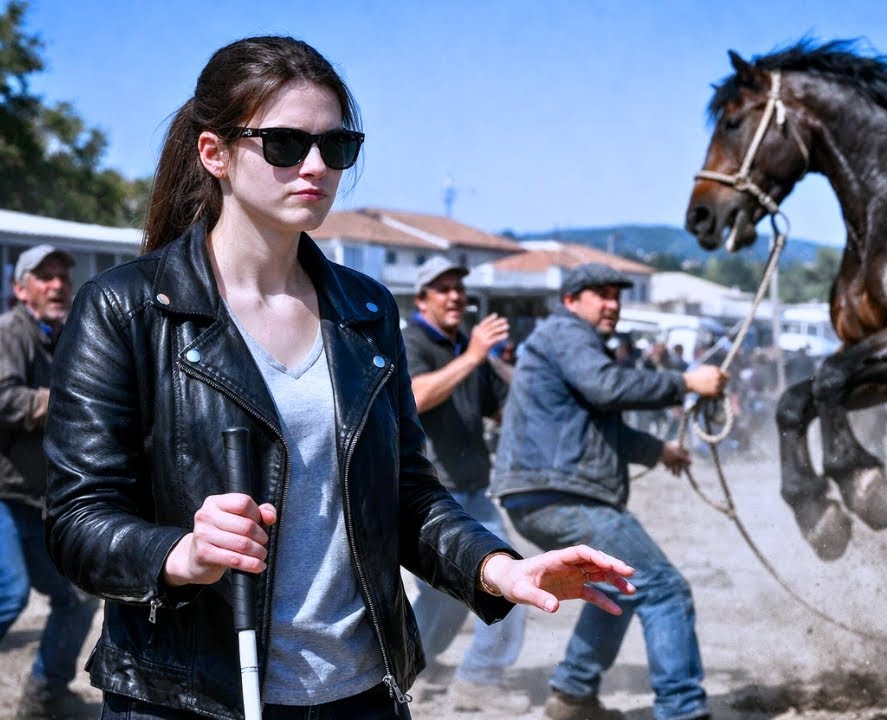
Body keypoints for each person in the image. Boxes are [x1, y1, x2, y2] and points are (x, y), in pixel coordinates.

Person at [42, 36, 634, 720]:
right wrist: (181, 551)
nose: (317, 167)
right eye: (287, 144)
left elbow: (407, 494)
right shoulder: (128, 307)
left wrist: (499, 568)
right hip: (189, 696)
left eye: (337, 146)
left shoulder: (366, 307)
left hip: (362, 693)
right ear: (216, 155)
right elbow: (78, 521)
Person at [491, 262, 728, 720]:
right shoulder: (567, 333)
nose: (611, 303)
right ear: (570, 301)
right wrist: (685, 382)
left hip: (544, 493)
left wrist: (658, 450)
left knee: (616, 587)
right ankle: (682, 711)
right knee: (663, 588)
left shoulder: (565, 342)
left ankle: (572, 698)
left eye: (616, 295)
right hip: (561, 495)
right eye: (599, 294)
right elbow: (605, 389)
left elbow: (591, 425)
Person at [403, 255, 528, 714]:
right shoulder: (409, 342)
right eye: (444, 288)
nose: (456, 296)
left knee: (449, 601)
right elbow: (413, 397)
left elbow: (504, 410)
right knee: (511, 584)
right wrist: (475, 355)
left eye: (460, 288)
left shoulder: (466, 351)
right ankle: (474, 681)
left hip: (475, 489)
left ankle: (405, 671)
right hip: (434, 495)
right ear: (422, 300)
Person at [0, 244, 100, 719]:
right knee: (9, 595)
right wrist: (65, 403)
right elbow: (6, 400)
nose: (58, 284)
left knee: (78, 597)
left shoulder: (66, 337)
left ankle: (42, 697)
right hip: (3, 496)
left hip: (41, 500)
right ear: (21, 289)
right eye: (45, 277)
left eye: (63, 275)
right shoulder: (8, 333)